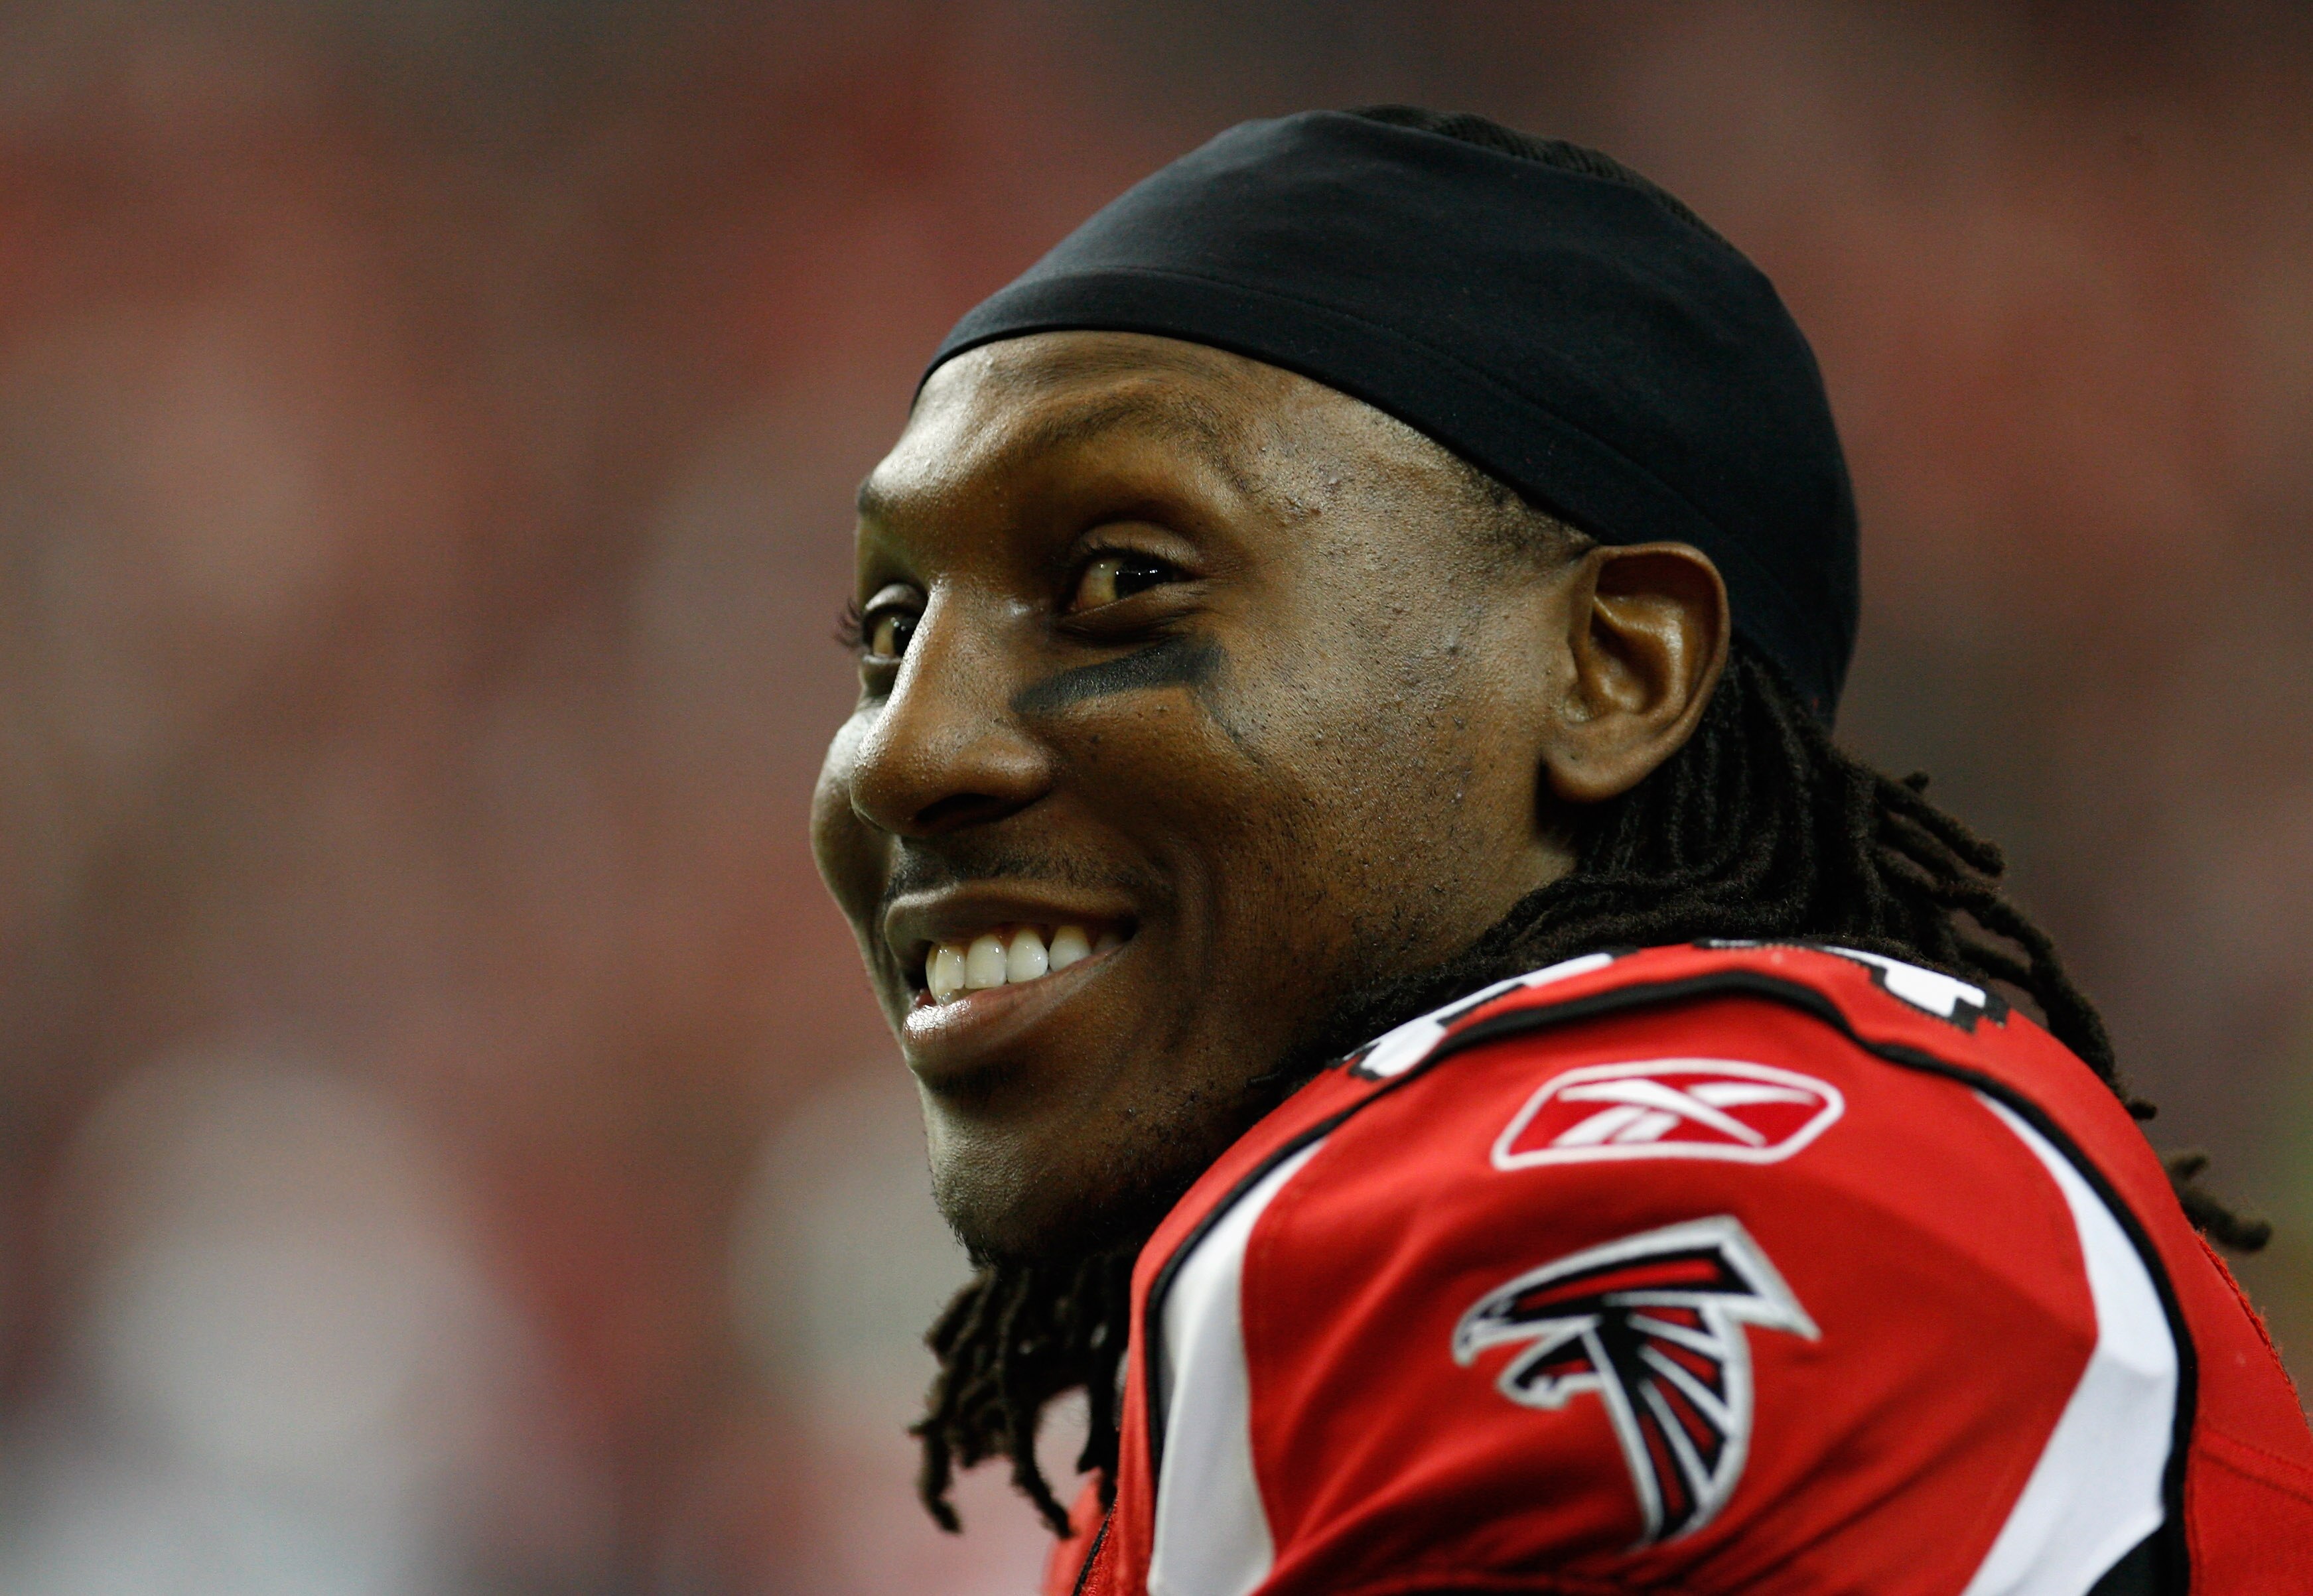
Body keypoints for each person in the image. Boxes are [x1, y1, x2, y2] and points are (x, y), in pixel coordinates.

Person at [809, 107, 2313, 1595]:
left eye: (1125, 578)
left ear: (1616, 671)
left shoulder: (1607, 1184)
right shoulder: (1832, 1157)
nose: (903, 751)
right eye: (886, 637)